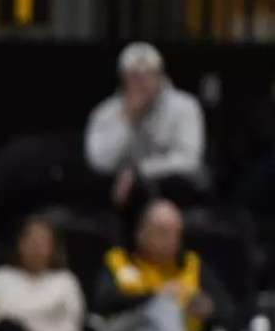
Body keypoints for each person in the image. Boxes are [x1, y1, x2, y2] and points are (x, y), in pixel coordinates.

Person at [95, 199, 232, 331]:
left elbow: (226, 308)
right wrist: (155, 297)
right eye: (162, 232)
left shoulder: (192, 265)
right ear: (141, 232)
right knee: (164, 305)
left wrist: (208, 307)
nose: (170, 240)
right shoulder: (118, 260)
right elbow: (104, 301)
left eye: (175, 233)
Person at [85, 42, 207, 209]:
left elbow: (189, 160)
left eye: (149, 75)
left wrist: (139, 171)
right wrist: (128, 121)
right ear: (123, 78)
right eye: (134, 76)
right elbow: (100, 162)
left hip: (173, 192)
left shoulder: (185, 106)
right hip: (121, 195)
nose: (142, 83)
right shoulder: (106, 112)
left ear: (160, 75)